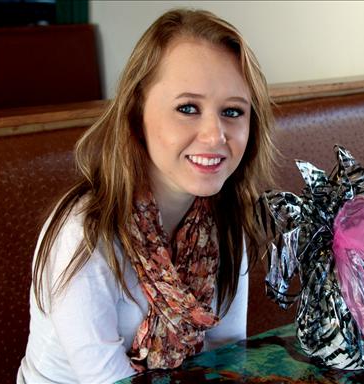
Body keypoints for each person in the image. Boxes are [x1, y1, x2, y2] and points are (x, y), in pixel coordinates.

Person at [17, 8, 276, 384]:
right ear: (137, 111)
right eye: (187, 108)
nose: (215, 134)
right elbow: (108, 379)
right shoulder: (84, 233)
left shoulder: (226, 221)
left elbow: (227, 353)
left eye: (232, 111)